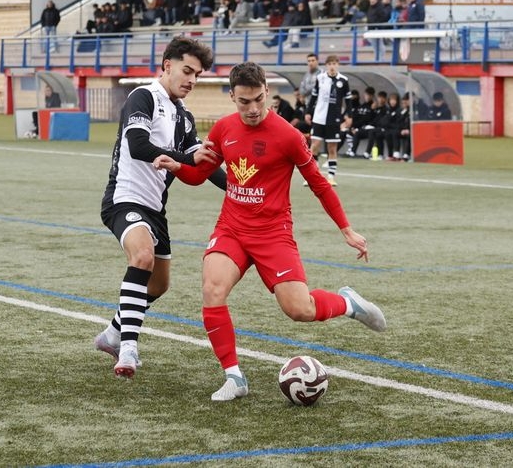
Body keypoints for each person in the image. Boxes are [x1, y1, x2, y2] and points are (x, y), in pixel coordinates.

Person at [153, 62, 386, 402]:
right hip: (231, 227)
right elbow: (199, 175)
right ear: (232, 96)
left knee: (299, 310)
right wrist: (178, 166)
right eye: (244, 102)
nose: (253, 109)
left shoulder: (288, 136)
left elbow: (319, 184)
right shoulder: (222, 130)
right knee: (212, 290)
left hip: (273, 233)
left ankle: (348, 303)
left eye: (259, 100)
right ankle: (234, 377)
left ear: (267, 92)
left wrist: (347, 229)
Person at [96, 37, 227, 379]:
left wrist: (239, 189)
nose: (192, 80)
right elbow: (138, 145)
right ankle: (127, 348)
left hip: (155, 209)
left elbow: (203, 165)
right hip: (123, 199)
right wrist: (186, 158)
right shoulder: (144, 96)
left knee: (158, 286)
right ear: (167, 65)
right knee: (141, 257)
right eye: (187, 71)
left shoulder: (184, 117)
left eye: (197, 75)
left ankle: (111, 334)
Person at [308, 55, 350, 186]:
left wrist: (349, 116)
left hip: (334, 119)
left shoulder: (343, 80)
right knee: (314, 145)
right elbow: (313, 97)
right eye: (330, 63)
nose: (332, 66)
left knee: (332, 148)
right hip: (319, 118)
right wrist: (308, 112)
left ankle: (331, 177)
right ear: (326, 65)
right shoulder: (320, 78)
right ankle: (312, 176)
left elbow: (348, 101)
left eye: (334, 63)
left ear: (338, 65)